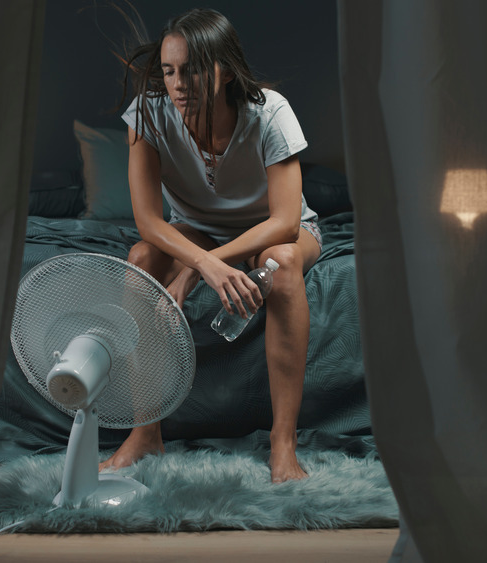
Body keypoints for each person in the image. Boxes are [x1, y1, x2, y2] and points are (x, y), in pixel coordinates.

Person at [98, 8, 322, 483]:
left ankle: (283, 443)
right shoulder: (148, 115)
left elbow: (284, 222)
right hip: (193, 230)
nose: (178, 84)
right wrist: (198, 260)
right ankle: (145, 433)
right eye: (168, 70)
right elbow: (148, 222)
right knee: (139, 259)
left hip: (273, 232)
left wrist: (204, 266)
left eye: (192, 69)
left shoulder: (270, 113)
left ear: (222, 70)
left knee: (280, 266)